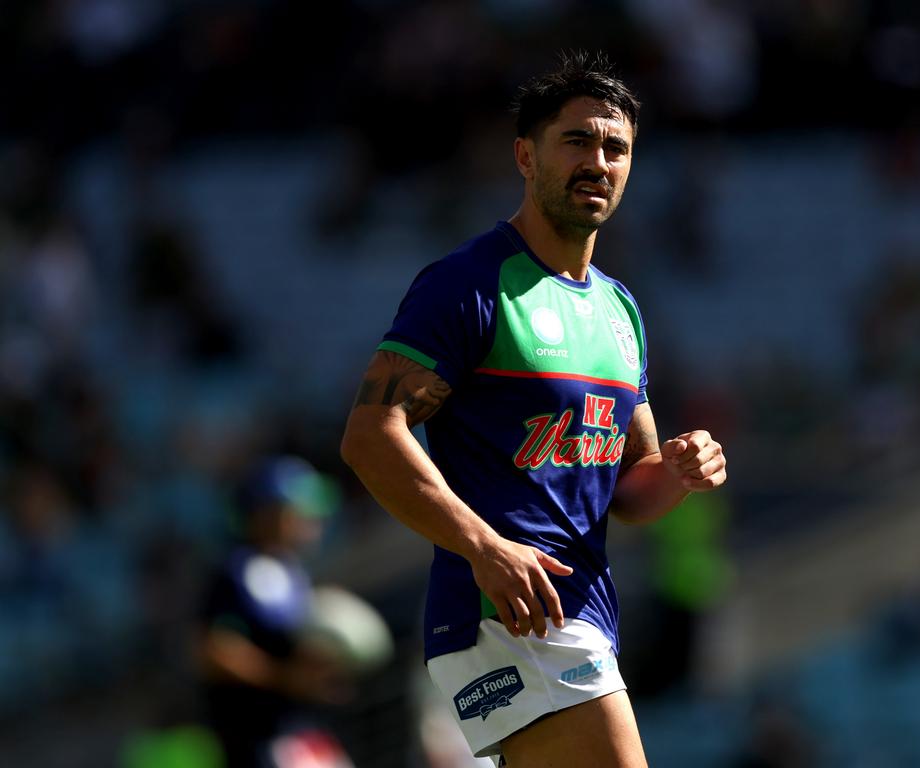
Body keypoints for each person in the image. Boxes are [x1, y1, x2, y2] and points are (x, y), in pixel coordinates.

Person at [341, 51, 727, 768]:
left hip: (583, 614)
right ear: (526, 155)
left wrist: (677, 470)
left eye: (616, 148)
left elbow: (630, 487)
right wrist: (483, 546)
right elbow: (370, 435)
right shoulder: (467, 284)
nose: (598, 161)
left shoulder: (620, 310)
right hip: (508, 614)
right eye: (576, 140)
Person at [197, 455, 352, 768]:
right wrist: (286, 678)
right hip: (261, 738)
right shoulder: (237, 570)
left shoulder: (289, 570)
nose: (312, 517)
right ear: (266, 512)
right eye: (299, 507)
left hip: (301, 732)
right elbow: (214, 650)